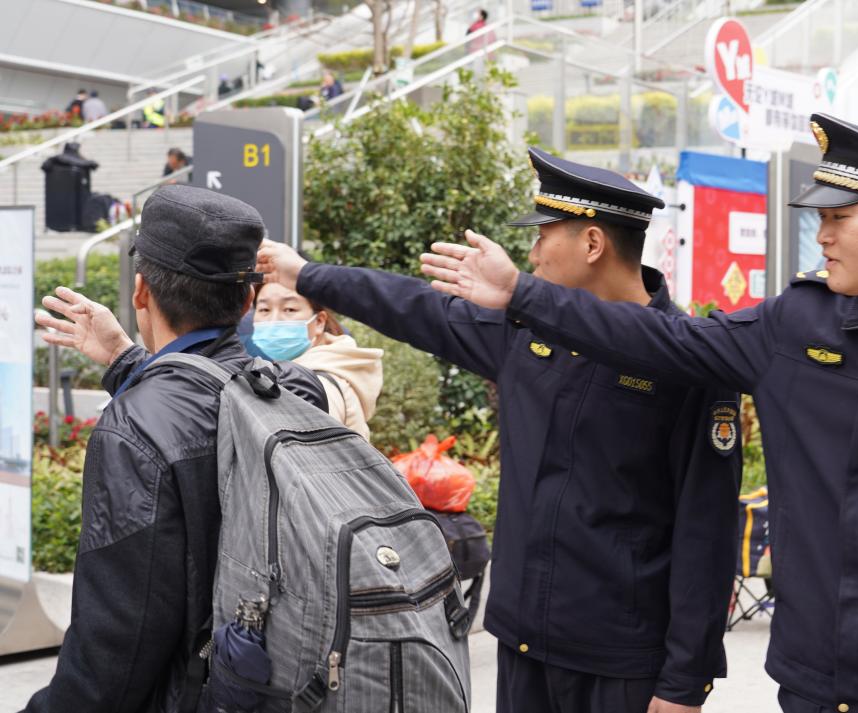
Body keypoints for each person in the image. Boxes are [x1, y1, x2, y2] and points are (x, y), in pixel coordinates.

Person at [421, 114, 858, 713]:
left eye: (839, 218)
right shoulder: (797, 325)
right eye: (818, 218)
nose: (821, 235)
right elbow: (659, 336)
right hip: (813, 686)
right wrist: (522, 294)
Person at [257, 147, 741, 713]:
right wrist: (305, 275)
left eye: (544, 235)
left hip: (622, 661)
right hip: (522, 641)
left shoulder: (684, 360)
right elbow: (411, 306)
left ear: (592, 244)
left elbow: (707, 532)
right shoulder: (525, 332)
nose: (531, 253)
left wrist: (684, 683)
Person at [23, 185, 327, 712]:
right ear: (249, 299)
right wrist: (124, 360)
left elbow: (119, 639)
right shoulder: (297, 390)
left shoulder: (135, 428)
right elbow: (215, 394)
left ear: (141, 292)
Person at [251, 281, 383, 439]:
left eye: (289, 309)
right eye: (264, 309)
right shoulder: (330, 365)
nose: (273, 321)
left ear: (319, 322)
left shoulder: (314, 385)